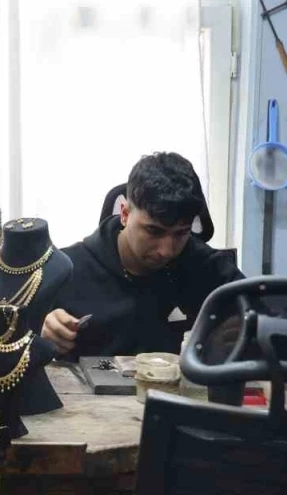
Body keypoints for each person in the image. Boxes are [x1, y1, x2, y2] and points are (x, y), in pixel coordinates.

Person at [42, 152, 243, 359]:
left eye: (180, 233)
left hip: (178, 380)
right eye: (154, 231)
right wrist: (41, 330)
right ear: (125, 214)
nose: (166, 251)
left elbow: (257, 308)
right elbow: (25, 338)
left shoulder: (202, 263)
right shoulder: (66, 271)